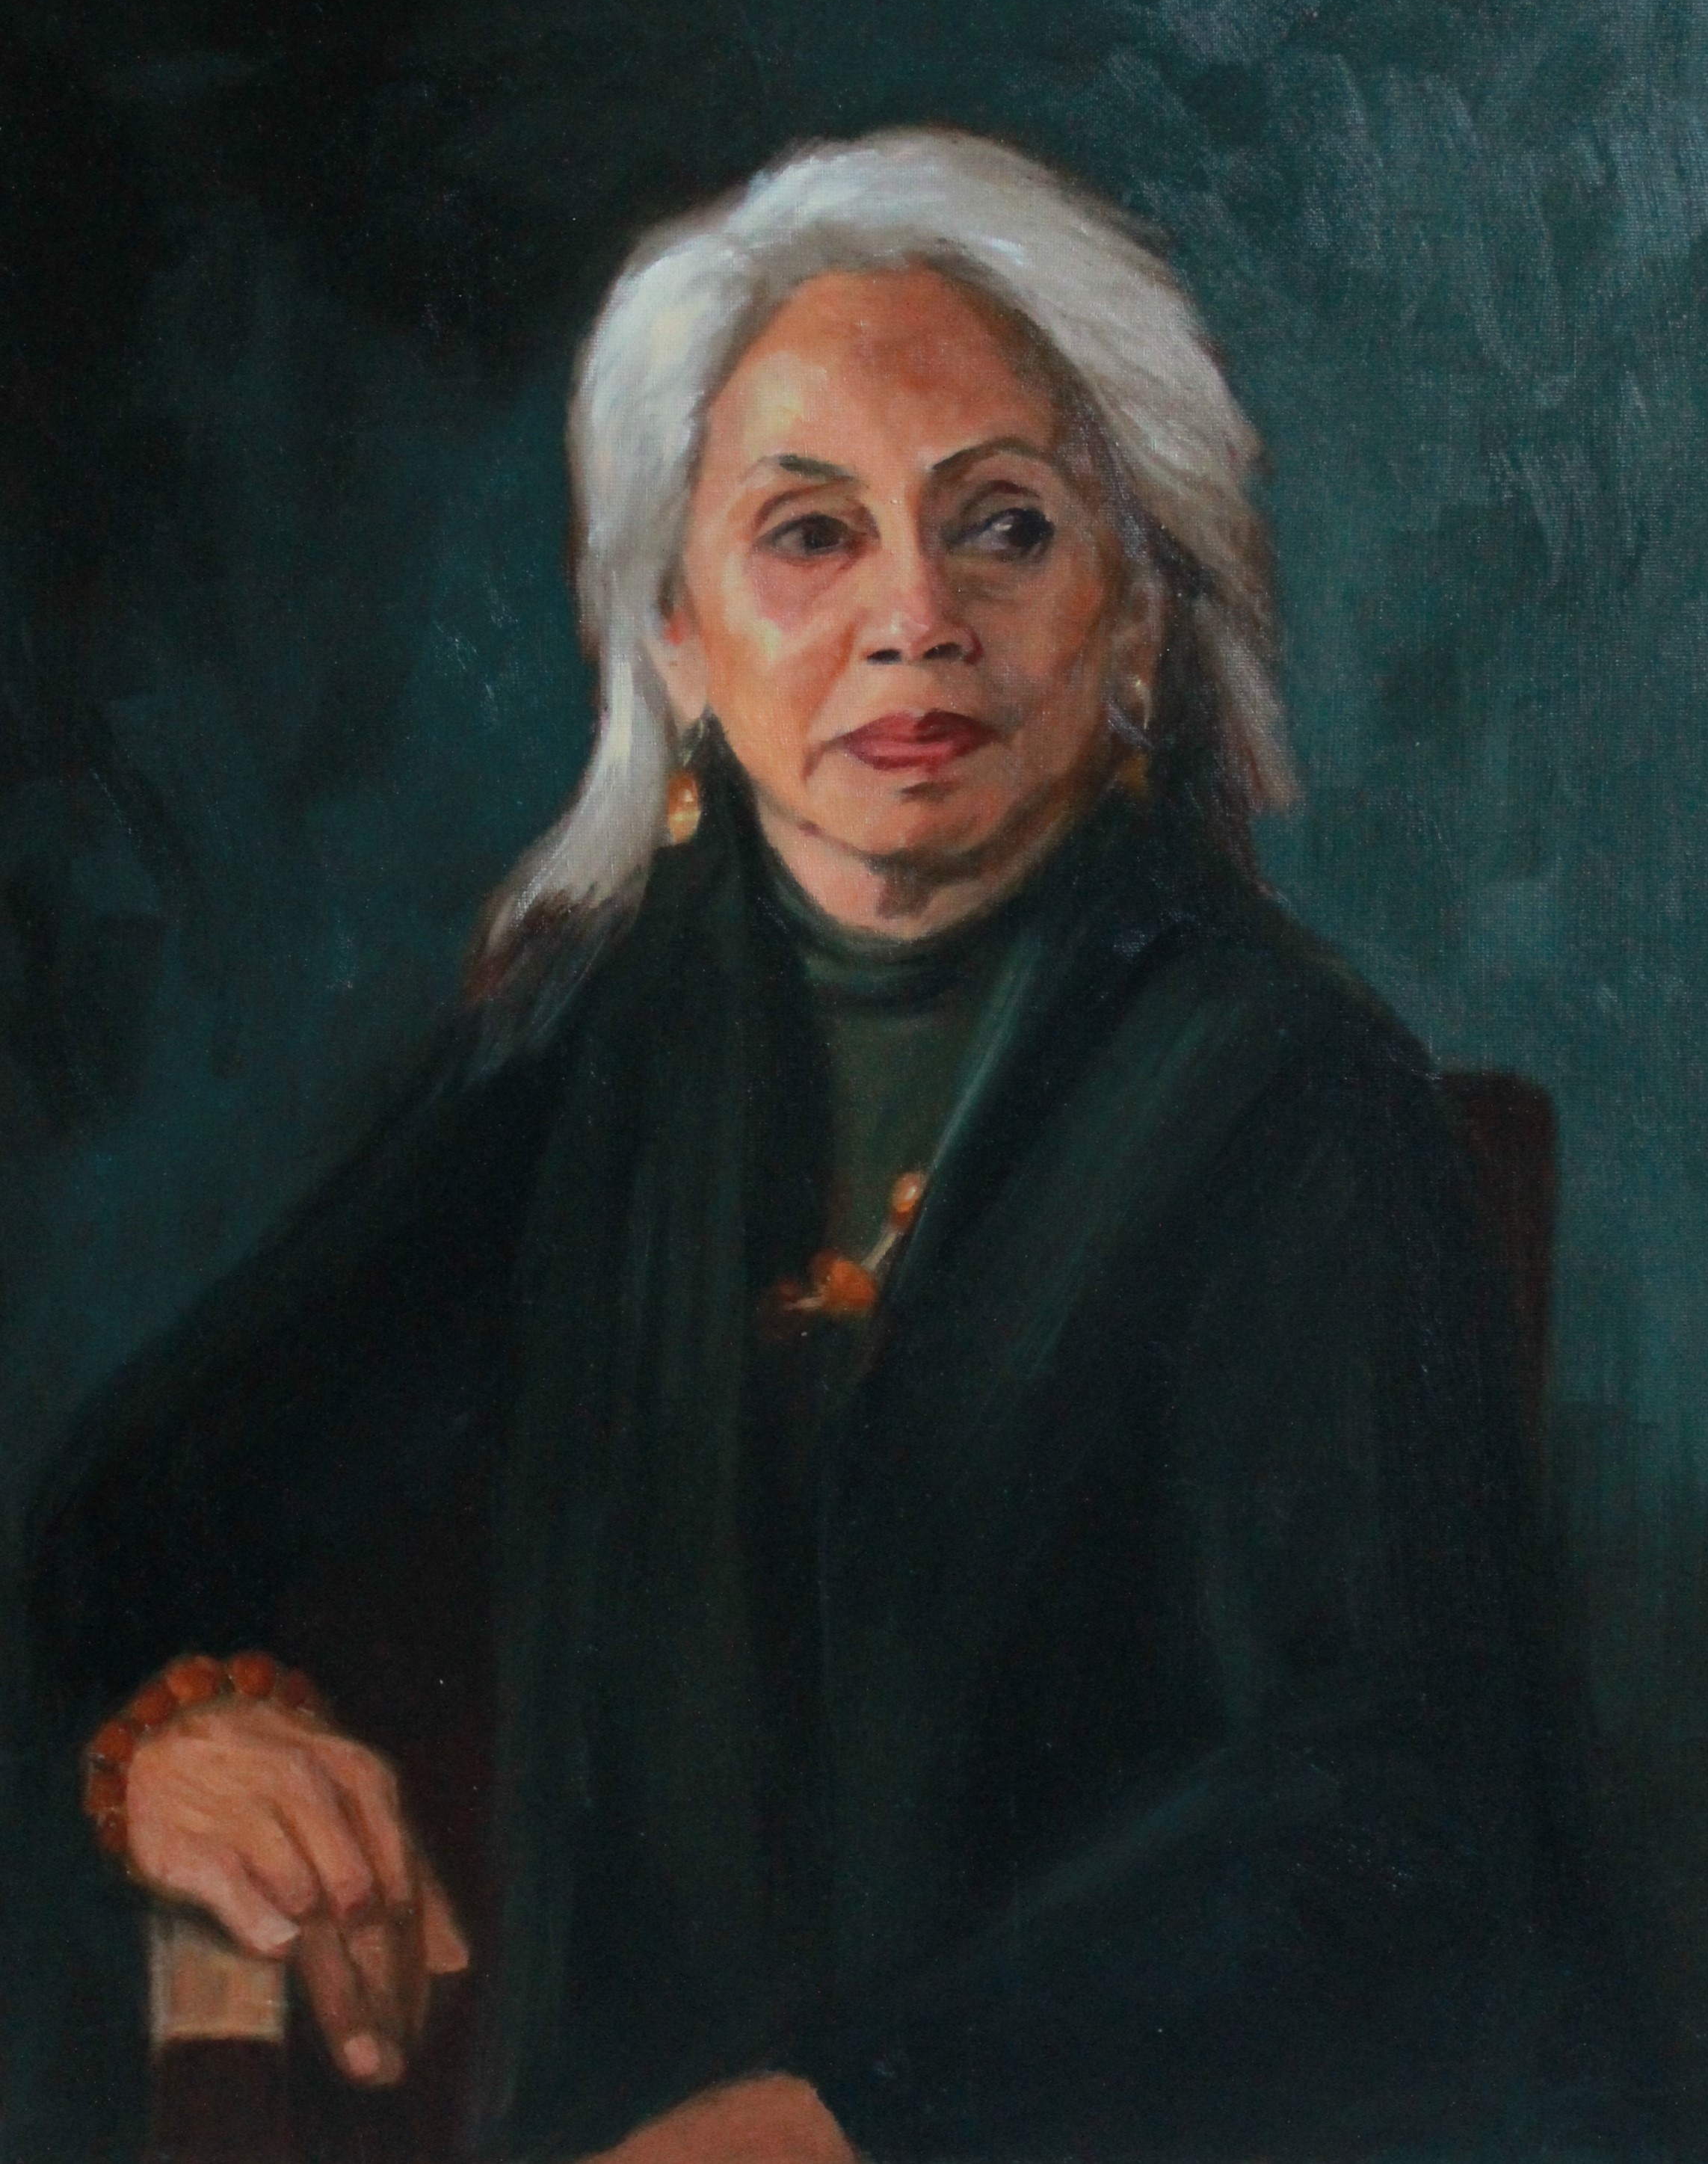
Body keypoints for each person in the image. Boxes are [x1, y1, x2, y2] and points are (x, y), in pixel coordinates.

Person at [28, 129, 1597, 2163]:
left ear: (1137, 621)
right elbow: (132, 1517)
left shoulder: (1299, 1105)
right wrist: (178, 1742)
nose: (913, 615)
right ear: (677, 636)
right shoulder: (599, 1056)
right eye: (809, 533)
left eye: (1006, 526)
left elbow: (1400, 1837)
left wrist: (846, 2119)